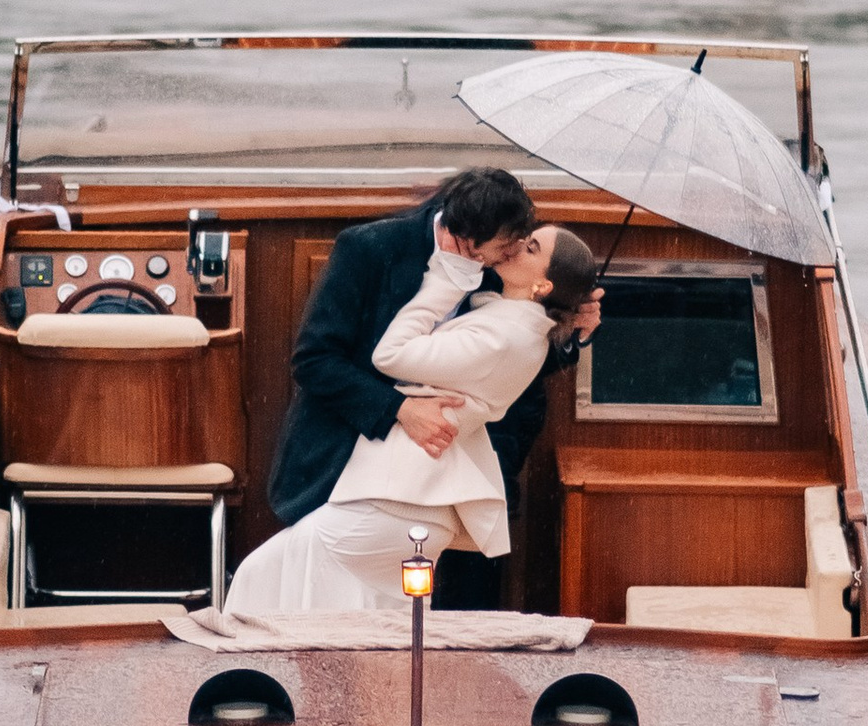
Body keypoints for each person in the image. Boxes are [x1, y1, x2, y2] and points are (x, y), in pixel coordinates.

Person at [226, 221, 603, 616]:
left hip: (407, 488)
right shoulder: (503, 302)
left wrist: (446, 280)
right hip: (408, 490)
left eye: (530, 247)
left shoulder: (506, 318)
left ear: (543, 286)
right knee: (365, 619)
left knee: (262, 582)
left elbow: (392, 355)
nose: (515, 246)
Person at [267, 166, 552, 536]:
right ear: (466, 239)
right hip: (342, 454)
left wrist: (573, 328)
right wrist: (399, 409)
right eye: (503, 248)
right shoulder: (369, 248)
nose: (511, 255)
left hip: (444, 471)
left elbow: (510, 351)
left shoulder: (499, 265)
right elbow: (314, 360)